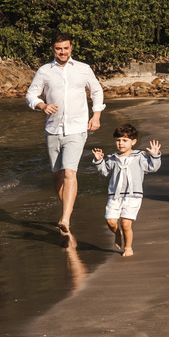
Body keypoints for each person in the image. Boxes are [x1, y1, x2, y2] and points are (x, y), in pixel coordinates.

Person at [24, 34, 105, 234]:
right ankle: (69, 206)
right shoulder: (44, 71)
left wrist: (96, 116)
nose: (62, 52)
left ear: (71, 48)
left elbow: (96, 91)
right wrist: (42, 105)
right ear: (53, 50)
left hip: (77, 128)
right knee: (57, 175)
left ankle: (65, 218)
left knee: (70, 172)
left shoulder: (83, 69)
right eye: (58, 49)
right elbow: (30, 95)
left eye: (65, 48)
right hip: (53, 129)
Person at [91, 123, 162, 257]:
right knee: (111, 221)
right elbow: (105, 172)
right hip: (114, 196)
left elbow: (152, 167)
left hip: (133, 196)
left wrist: (155, 155)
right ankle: (117, 233)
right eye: (118, 140)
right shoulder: (113, 158)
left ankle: (128, 248)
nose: (121, 143)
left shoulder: (139, 156)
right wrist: (99, 161)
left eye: (125, 140)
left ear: (133, 142)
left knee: (125, 223)